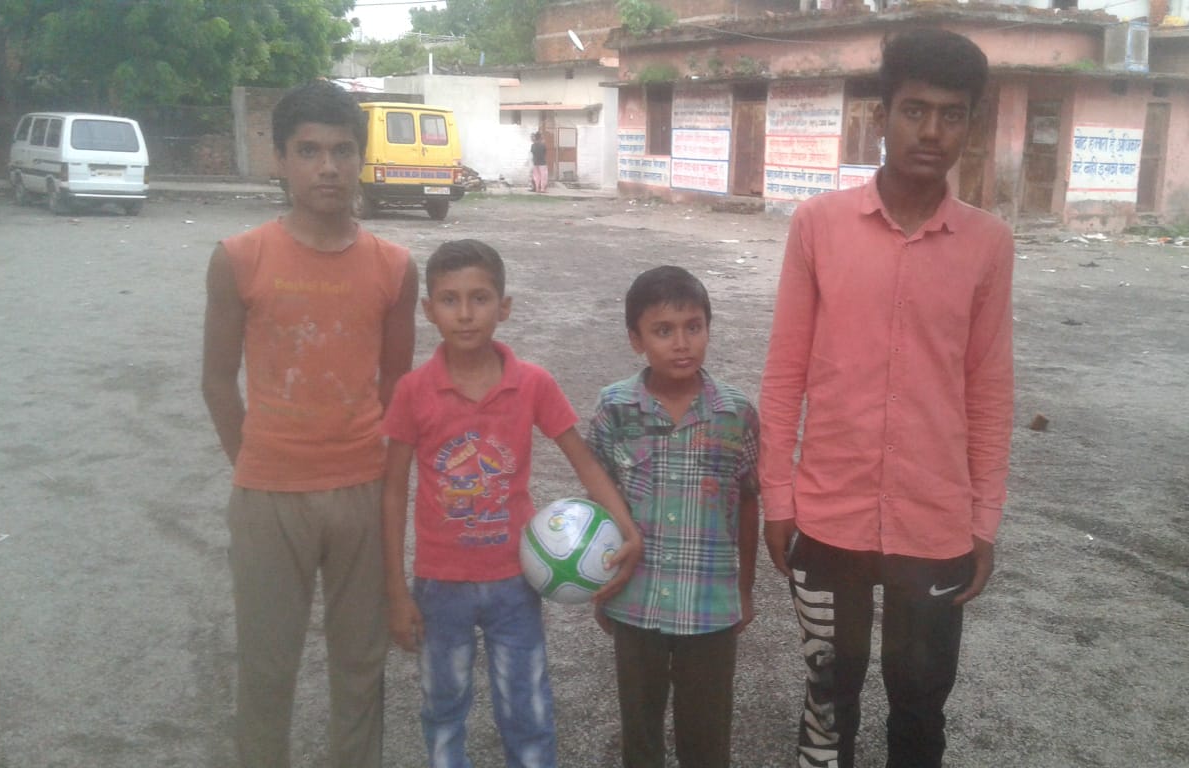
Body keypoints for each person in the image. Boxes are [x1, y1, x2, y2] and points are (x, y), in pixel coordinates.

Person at [758, 29, 1015, 768]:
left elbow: (988, 390)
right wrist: (779, 497)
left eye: (952, 114)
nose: (932, 131)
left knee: (921, 704)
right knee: (827, 696)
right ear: (882, 115)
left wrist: (983, 519)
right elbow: (784, 374)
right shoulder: (818, 226)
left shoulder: (988, 244)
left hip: (934, 521)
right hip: (828, 511)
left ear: (970, 124)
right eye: (914, 110)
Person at [201, 80, 418, 768]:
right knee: (267, 671)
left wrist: (383, 478)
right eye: (309, 150)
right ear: (281, 160)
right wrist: (254, 464)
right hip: (269, 497)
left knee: (361, 668)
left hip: (362, 491)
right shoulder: (240, 257)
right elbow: (216, 379)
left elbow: (397, 386)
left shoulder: (394, 267)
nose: (328, 167)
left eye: (342, 150)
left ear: (360, 158)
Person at [380, 239, 643, 768]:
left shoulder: (533, 384)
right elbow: (391, 490)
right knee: (443, 707)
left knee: (527, 708)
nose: (465, 313)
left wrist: (626, 528)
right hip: (439, 585)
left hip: (516, 581)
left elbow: (583, 459)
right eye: (450, 300)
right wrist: (394, 590)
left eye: (479, 298)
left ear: (504, 306)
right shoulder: (413, 391)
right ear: (428, 310)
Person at [587, 266, 760, 768]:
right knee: (640, 735)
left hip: (710, 608)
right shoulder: (615, 408)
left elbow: (749, 500)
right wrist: (600, 582)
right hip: (635, 601)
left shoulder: (735, 413)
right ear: (636, 339)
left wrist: (745, 589)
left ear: (708, 328)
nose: (682, 343)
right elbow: (600, 499)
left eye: (693, 327)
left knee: (706, 739)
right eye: (663, 330)